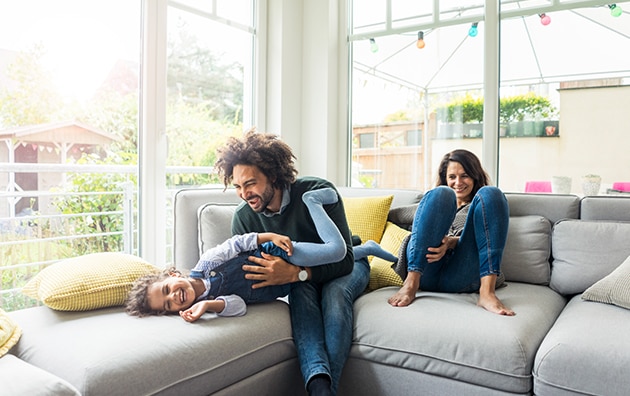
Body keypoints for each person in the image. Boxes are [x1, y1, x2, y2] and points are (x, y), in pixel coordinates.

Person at [214, 129, 376, 396]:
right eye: (238, 187)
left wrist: (296, 273)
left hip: (351, 263)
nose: (244, 194)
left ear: (273, 175)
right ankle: (320, 388)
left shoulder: (316, 191)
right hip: (301, 279)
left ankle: (326, 390)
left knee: (334, 295)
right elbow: (252, 271)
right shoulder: (244, 220)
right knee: (301, 295)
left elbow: (345, 259)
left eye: (251, 183)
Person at [126, 187, 396, 323]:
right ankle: (367, 249)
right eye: (169, 304)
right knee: (335, 257)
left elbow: (239, 243)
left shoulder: (206, 262)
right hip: (286, 280)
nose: (174, 297)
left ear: (173, 275)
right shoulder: (213, 300)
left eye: (167, 290)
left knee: (337, 251)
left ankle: (312, 201)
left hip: (277, 252)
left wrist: (270, 237)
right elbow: (239, 306)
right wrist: (209, 306)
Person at [388, 149, 515, 316]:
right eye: (452, 177)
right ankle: (411, 283)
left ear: (475, 176)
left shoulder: (481, 206)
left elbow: (489, 233)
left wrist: (451, 242)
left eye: (465, 176)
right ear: (445, 178)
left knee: (491, 192)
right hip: (426, 268)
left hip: (461, 273)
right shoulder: (435, 203)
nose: (458, 182)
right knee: (442, 193)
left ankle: (487, 293)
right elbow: (390, 215)